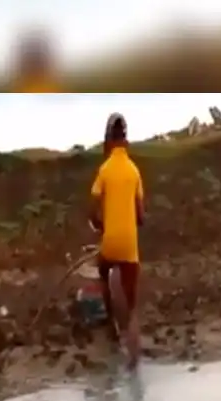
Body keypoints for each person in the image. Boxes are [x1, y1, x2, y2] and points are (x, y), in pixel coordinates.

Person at [90, 113, 146, 369]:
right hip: (130, 245)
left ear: (109, 140)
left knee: (103, 272)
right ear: (126, 140)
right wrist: (133, 220)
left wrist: (102, 226)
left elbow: (92, 210)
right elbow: (141, 216)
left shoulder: (104, 169)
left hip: (110, 241)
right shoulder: (134, 171)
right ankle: (134, 359)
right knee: (132, 305)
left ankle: (112, 325)